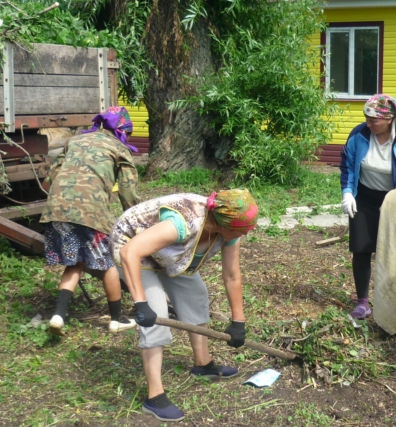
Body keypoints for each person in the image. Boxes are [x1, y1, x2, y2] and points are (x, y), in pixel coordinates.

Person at [109, 189, 258, 422]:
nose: (248, 233)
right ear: (224, 223)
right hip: (132, 243)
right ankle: (154, 396)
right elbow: (131, 251)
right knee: (156, 315)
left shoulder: (229, 232)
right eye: (243, 229)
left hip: (171, 252)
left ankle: (203, 364)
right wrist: (140, 303)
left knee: (196, 296)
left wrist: (238, 321)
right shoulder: (184, 222)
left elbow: (232, 276)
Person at [40, 106, 142, 336]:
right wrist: (135, 223)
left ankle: (58, 315)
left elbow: (52, 176)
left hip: (57, 210)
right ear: (122, 130)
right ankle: (118, 319)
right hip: (90, 213)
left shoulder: (74, 141)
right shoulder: (119, 148)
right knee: (107, 266)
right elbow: (127, 192)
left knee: (75, 262)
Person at [340, 94, 396, 319]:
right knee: (361, 249)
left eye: (373, 120)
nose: (368, 123)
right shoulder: (358, 135)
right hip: (365, 199)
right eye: (366, 118)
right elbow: (347, 165)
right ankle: (362, 302)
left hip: (395, 201)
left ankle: (394, 301)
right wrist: (347, 192)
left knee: (395, 251)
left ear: (389, 119)